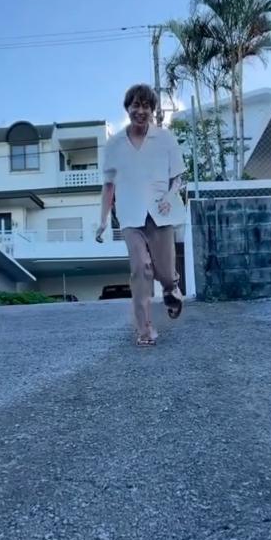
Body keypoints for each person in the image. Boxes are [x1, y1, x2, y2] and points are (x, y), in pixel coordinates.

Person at [96, 84, 186, 347]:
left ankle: (171, 288)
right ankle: (145, 329)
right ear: (128, 108)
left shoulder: (165, 139)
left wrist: (169, 197)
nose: (141, 111)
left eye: (146, 106)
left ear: (152, 110)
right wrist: (103, 220)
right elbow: (108, 186)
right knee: (141, 269)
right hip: (129, 216)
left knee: (165, 272)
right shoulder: (114, 145)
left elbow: (178, 177)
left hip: (160, 213)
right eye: (136, 105)